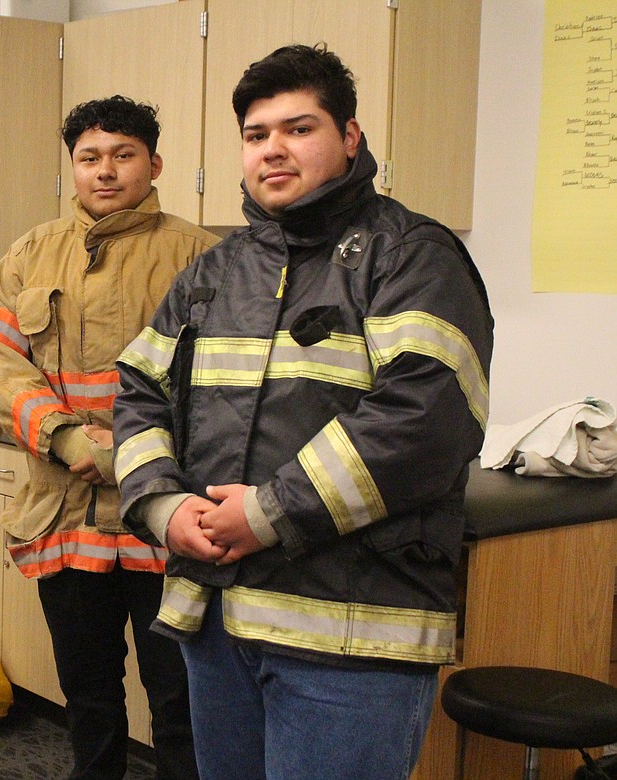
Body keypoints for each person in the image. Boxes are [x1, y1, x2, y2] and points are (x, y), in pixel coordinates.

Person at [113, 44, 494, 780]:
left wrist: (268, 512)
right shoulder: (215, 271)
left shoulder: (412, 255)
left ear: (349, 138)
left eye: (299, 128)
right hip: (218, 619)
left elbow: (426, 417)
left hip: (351, 632)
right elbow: (139, 391)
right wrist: (162, 504)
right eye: (257, 136)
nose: (273, 150)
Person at [0, 96, 217, 780]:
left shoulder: (203, 255)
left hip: (166, 518)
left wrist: (137, 450)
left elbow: (233, 382)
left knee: (181, 699)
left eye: (122, 155)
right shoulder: (29, 253)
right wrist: (62, 436)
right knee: (89, 694)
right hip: (65, 511)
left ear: (154, 162)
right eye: (89, 158)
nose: (105, 171)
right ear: (72, 167)